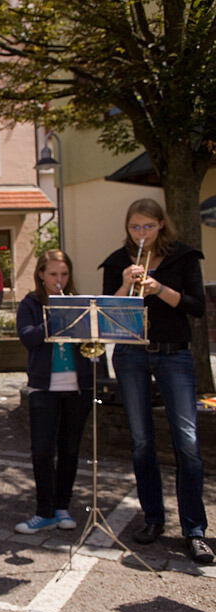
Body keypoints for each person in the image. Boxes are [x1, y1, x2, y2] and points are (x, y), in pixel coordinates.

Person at [100, 198, 213, 564]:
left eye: (148, 226)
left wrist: (160, 289)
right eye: (135, 227)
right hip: (132, 353)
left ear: (161, 225)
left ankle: (194, 529)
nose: (142, 234)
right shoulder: (119, 261)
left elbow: (197, 307)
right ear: (127, 227)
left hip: (173, 353)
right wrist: (124, 285)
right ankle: (153, 519)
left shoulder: (183, 257)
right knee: (141, 442)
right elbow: (105, 313)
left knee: (188, 442)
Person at [14, 250, 93, 534]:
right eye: (53, 275)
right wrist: (53, 319)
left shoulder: (80, 304)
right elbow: (27, 337)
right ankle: (44, 511)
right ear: (41, 275)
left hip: (77, 385)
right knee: (42, 451)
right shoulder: (31, 303)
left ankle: (62, 507)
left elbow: (91, 340)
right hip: (43, 386)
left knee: (70, 449)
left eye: (64, 274)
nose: (59, 280)